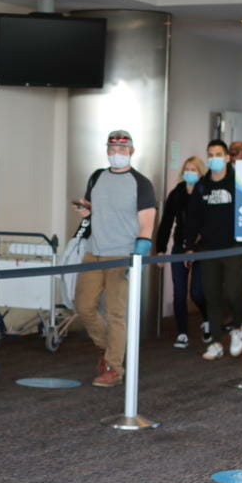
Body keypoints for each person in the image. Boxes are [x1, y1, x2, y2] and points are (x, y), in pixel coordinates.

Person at [72, 130, 156, 387]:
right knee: (83, 305)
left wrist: (137, 259)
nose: (116, 154)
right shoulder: (97, 176)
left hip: (121, 254)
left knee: (116, 312)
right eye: (112, 149)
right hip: (94, 250)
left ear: (131, 151)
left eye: (122, 149)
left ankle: (114, 367)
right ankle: (109, 348)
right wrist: (85, 211)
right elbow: (92, 208)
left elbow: (147, 224)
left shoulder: (141, 183)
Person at [185, 139, 242, 361]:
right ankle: (217, 342)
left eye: (219, 154)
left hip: (234, 246)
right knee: (211, 295)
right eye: (210, 154)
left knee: (232, 291)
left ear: (228, 157)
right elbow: (193, 219)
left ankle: (238, 327)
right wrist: (189, 246)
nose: (214, 159)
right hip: (209, 247)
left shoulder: (238, 182)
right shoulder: (202, 185)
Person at [155, 156, 212, 349]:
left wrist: (195, 247)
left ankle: (207, 320)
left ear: (201, 172)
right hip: (179, 247)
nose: (190, 172)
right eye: (187, 169)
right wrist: (161, 249)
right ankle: (182, 332)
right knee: (179, 293)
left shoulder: (207, 192)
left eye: (194, 169)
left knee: (197, 292)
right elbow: (166, 223)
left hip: (202, 249)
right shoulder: (177, 193)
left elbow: (210, 224)